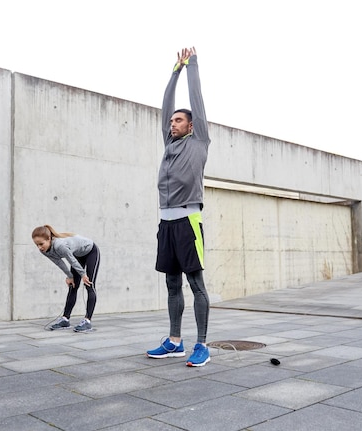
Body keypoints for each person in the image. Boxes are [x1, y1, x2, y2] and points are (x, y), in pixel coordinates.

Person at [146, 47, 212, 367]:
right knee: (172, 284)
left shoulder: (199, 141)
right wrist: (173, 71)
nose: (172, 123)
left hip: (188, 219)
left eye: (178, 120)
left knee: (195, 284)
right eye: (172, 121)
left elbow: (196, 100)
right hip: (166, 222)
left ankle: (202, 344)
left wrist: (191, 66)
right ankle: (175, 341)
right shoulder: (169, 143)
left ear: (191, 125)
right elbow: (164, 107)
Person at [32, 224, 100, 332]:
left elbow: (71, 261)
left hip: (91, 251)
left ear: (49, 239)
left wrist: (83, 275)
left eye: (41, 244)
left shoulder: (60, 245)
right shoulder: (44, 250)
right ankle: (65, 319)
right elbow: (59, 263)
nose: (40, 247)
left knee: (89, 285)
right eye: (37, 245)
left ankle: (87, 321)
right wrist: (69, 276)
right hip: (77, 256)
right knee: (73, 286)